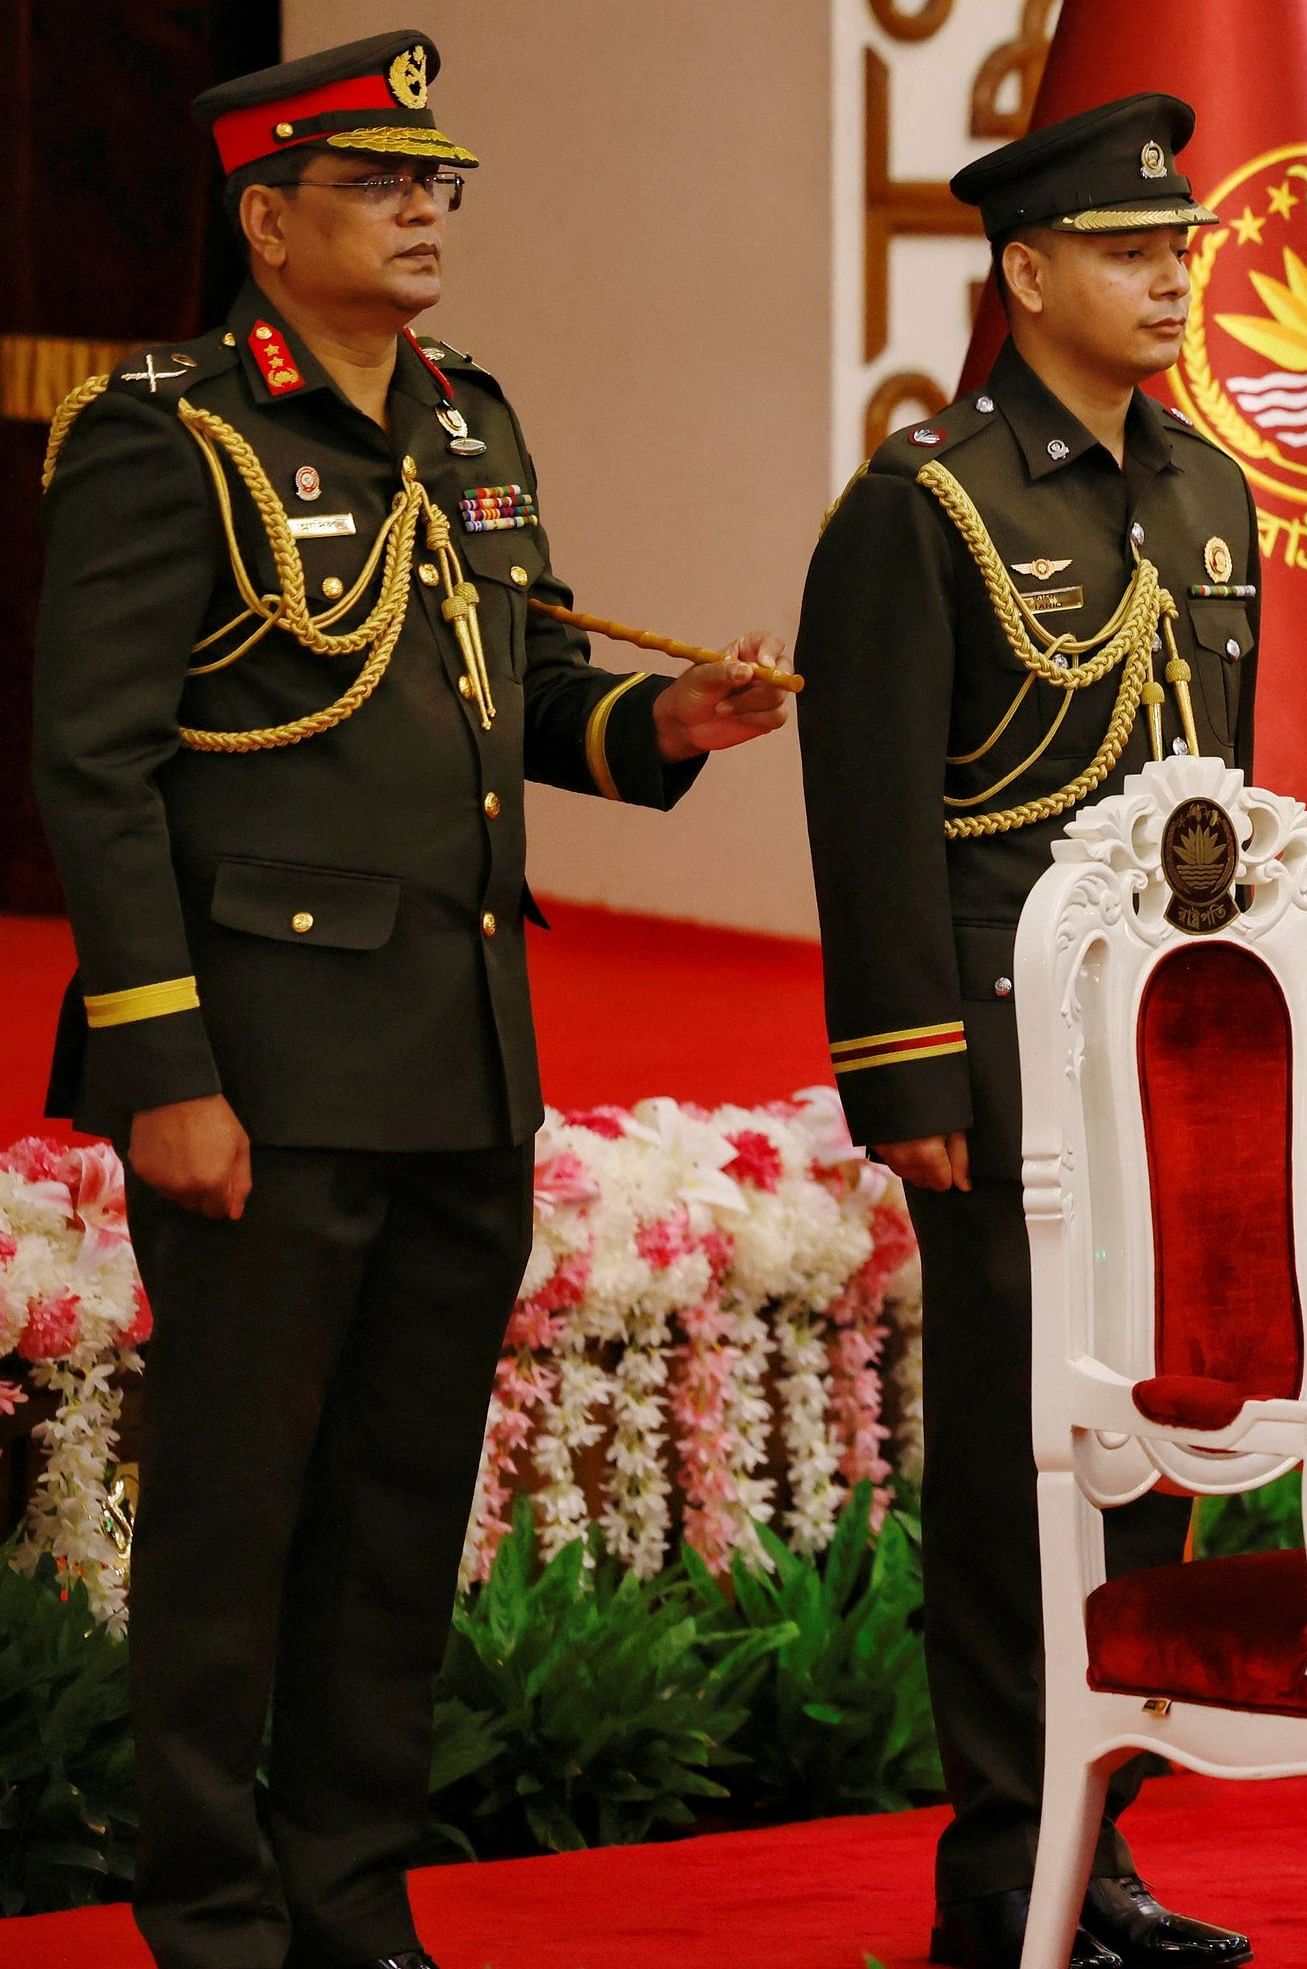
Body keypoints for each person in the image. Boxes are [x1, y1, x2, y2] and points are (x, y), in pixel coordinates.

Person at [29, 33, 792, 1969]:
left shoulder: (467, 420)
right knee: (235, 1519)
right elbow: (94, 772)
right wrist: (165, 1069)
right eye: (380, 184)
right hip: (267, 1069)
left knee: (392, 1517)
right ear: (268, 220)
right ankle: (210, 1913)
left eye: (438, 182)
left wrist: (659, 725)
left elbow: (506, 693)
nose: (427, 209)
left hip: (459, 1052)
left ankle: (352, 1897)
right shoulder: (169, 433)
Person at [793, 95, 1254, 1969]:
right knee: (1018, 1462)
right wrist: (908, 1075)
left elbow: (1236, 813)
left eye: (1182, 250)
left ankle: (1103, 1843)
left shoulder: (1209, 489)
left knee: (1157, 1445)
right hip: (1003, 1062)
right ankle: (1004, 1862)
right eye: (1133, 250)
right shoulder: (932, 504)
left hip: (1181, 1065)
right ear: (1028, 269)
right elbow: (874, 806)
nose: (1170, 277)